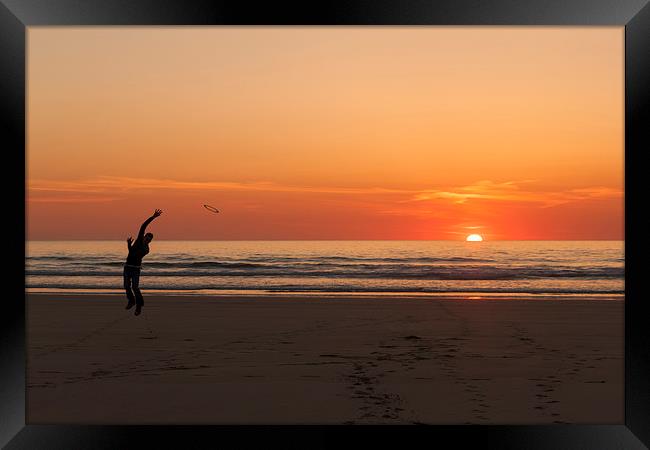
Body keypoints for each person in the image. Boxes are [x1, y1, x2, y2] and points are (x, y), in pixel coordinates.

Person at [124, 209, 163, 315]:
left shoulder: (146, 249)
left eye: (149, 240)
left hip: (135, 269)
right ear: (144, 236)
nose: (147, 240)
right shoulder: (139, 239)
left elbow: (134, 254)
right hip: (127, 267)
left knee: (135, 288)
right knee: (127, 286)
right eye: (146, 238)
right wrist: (153, 217)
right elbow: (143, 226)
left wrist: (130, 246)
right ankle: (131, 301)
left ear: (150, 241)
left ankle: (139, 305)